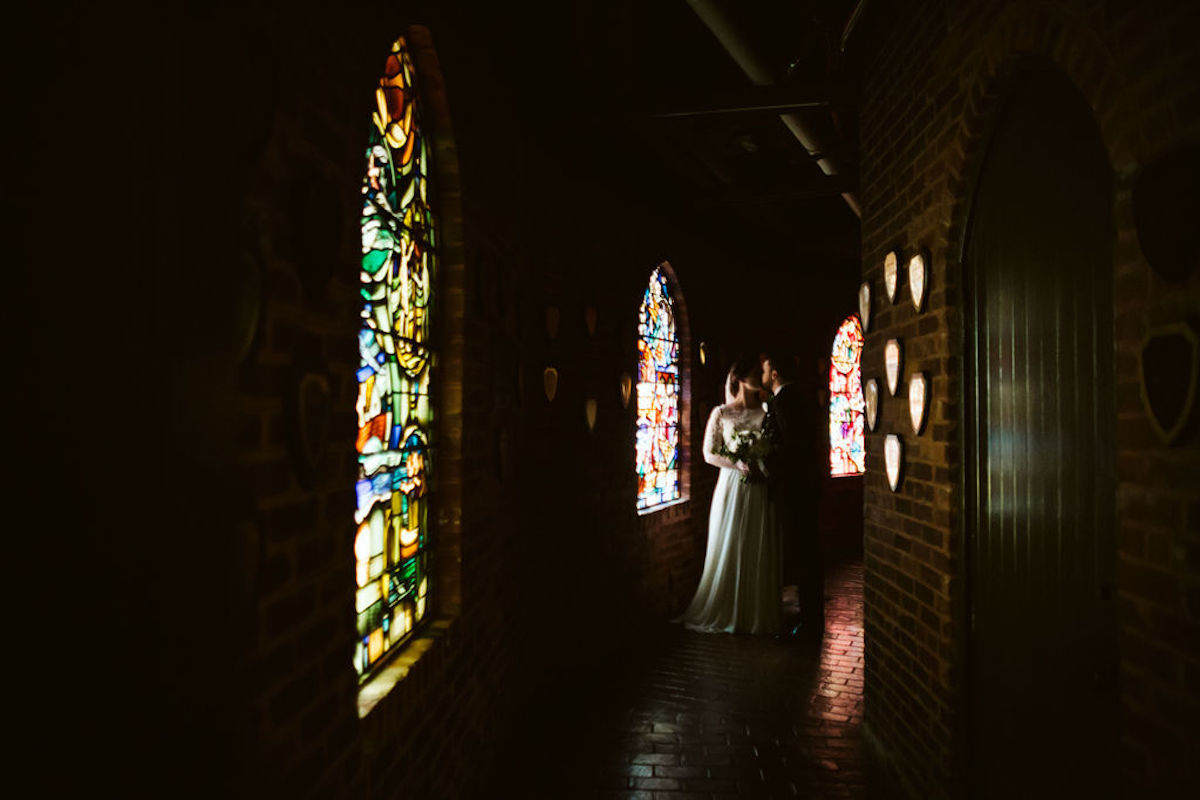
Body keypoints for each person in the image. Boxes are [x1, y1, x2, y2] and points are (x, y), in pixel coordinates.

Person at [675, 355, 781, 636]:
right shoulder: (721, 413)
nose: (762, 375)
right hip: (732, 485)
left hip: (760, 486)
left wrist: (762, 463)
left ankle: (757, 612)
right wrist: (738, 463)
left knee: (757, 543)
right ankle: (727, 608)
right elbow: (709, 453)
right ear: (742, 379)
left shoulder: (768, 411)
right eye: (757, 372)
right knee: (732, 540)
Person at [761, 350, 824, 641]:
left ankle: (809, 624)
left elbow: (792, 446)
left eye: (764, 370)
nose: (762, 376)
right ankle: (811, 619)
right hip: (803, 487)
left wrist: (768, 464)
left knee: (802, 556)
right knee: (806, 555)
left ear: (774, 374)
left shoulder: (784, 400)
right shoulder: (797, 397)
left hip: (794, 489)